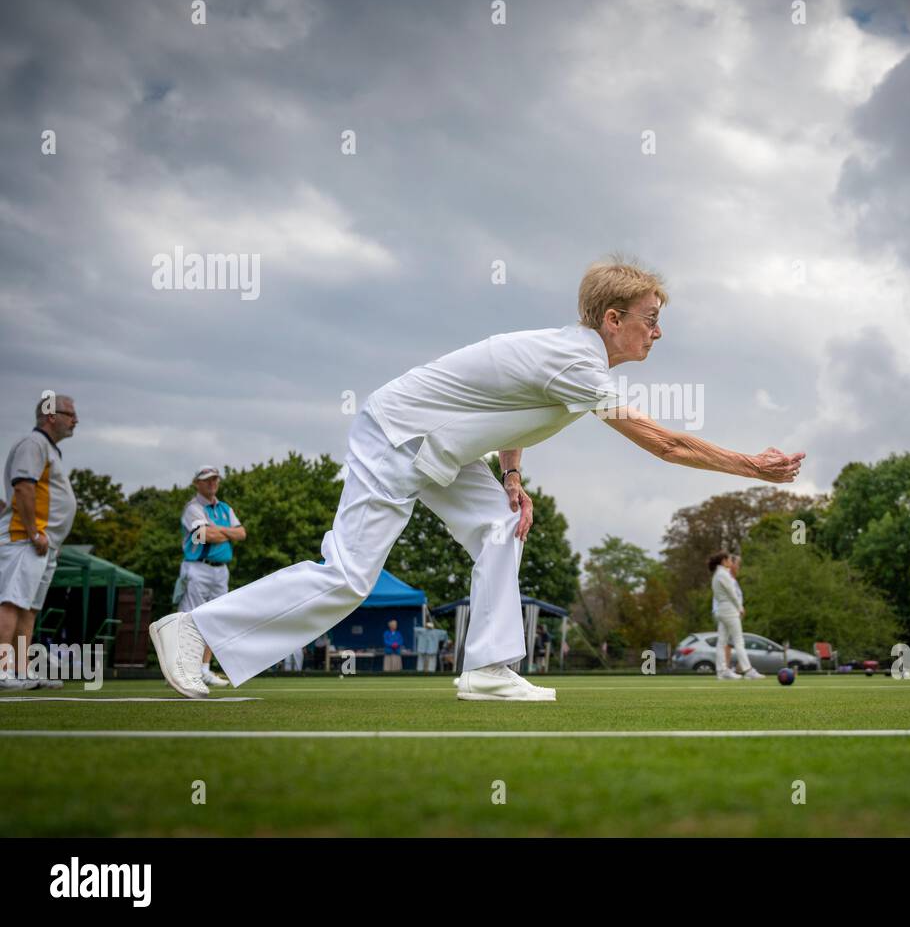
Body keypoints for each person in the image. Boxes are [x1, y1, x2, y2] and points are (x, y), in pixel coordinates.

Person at [150, 257, 804, 701]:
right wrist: (753, 467)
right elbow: (664, 444)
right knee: (349, 578)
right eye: (649, 317)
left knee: (499, 527)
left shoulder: (568, 362)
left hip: (446, 447)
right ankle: (196, 629)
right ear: (612, 320)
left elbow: (507, 411)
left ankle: (490, 668)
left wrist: (513, 480)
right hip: (397, 434)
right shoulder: (580, 364)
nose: (657, 332)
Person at [0, 395, 79, 690]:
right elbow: (23, 486)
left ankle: (20, 671)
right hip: (25, 538)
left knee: (29, 608)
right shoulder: (33, 445)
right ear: (50, 415)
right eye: (69, 413)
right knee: (11, 601)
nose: (76, 419)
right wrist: (34, 531)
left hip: (44, 544)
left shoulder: (49, 450)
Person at [173, 465, 246, 687]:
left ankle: (203, 669)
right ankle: (183, 669)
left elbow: (241, 534)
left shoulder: (224, 508)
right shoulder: (192, 508)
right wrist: (226, 532)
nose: (212, 483)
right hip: (198, 568)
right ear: (197, 483)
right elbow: (203, 536)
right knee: (191, 619)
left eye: (215, 479)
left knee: (215, 619)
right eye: (207, 480)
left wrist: (217, 530)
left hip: (220, 570)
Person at [709, 551, 763, 679]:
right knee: (739, 641)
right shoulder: (723, 574)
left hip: (722, 611)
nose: (731, 563)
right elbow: (732, 593)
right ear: (723, 561)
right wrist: (740, 607)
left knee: (721, 642)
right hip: (729, 611)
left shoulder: (718, 574)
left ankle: (722, 671)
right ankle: (748, 670)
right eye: (729, 560)